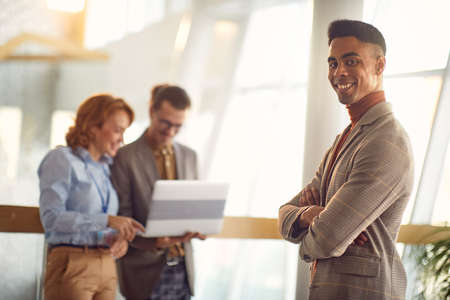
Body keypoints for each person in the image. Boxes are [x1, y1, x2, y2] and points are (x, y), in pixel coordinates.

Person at [278, 19, 414, 300]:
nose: (339, 72)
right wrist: (307, 214)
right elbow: (285, 212)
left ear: (380, 66)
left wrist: (314, 230)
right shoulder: (345, 138)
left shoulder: (385, 142)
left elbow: (326, 240)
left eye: (351, 62)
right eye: (333, 63)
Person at [38, 94, 145, 300]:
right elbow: (51, 218)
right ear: (92, 126)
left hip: (106, 263)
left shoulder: (105, 169)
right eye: (117, 130)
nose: (122, 139)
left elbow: (99, 222)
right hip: (73, 263)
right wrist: (107, 220)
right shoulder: (61, 159)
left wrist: (117, 238)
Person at [111, 84, 206, 300]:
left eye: (178, 126)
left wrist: (200, 225)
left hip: (183, 269)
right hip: (144, 272)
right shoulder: (126, 157)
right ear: (152, 111)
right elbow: (123, 217)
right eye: (166, 123)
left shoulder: (190, 156)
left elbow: (194, 205)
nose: (171, 131)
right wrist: (153, 242)